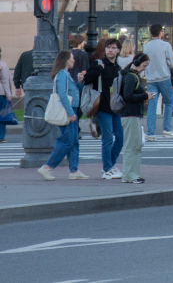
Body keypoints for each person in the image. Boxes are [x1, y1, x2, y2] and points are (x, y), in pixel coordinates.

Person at [37, 51, 88, 180]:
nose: (74, 60)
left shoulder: (65, 74)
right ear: (65, 60)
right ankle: (47, 167)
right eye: (72, 58)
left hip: (71, 109)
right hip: (68, 111)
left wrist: (80, 83)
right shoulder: (62, 75)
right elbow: (63, 95)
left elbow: (73, 91)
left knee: (74, 141)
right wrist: (71, 113)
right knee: (67, 141)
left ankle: (74, 171)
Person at [85, 37, 124, 178]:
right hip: (102, 108)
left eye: (113, 48)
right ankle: (107, 169)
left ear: (118, 50)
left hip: (116, 108)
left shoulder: (118, 68)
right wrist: (97, 70)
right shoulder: (99, 64)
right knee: (107, 138)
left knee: (120, 137)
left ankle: (111, 164)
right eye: (108, 47)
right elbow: (86, 79)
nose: (110, 50)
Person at [118, 53, 151, 184]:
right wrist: (145, 96)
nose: (145, 68)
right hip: (130, 114)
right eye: (144, 65)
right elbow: (128, 96)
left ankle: (132, 174)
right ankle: (129, 175)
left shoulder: (132, 75)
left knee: (135, 145)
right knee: (131, 146)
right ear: (137, 63)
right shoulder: (131, 77)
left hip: (133, 114)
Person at [142, 24, 173, 140]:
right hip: (164, 77)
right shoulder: (166, 45)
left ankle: (151, 133)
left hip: (151, 78)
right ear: (160, 33)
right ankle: (167, 128)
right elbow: (171, 62)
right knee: (168, 102)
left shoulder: (146, 46)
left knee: (152, 105)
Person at [0, 46, 20, 142]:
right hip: (1, 94)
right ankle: (1, 136)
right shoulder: (2, 64)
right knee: (2, 115)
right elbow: (5, 81)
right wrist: (9, 94)